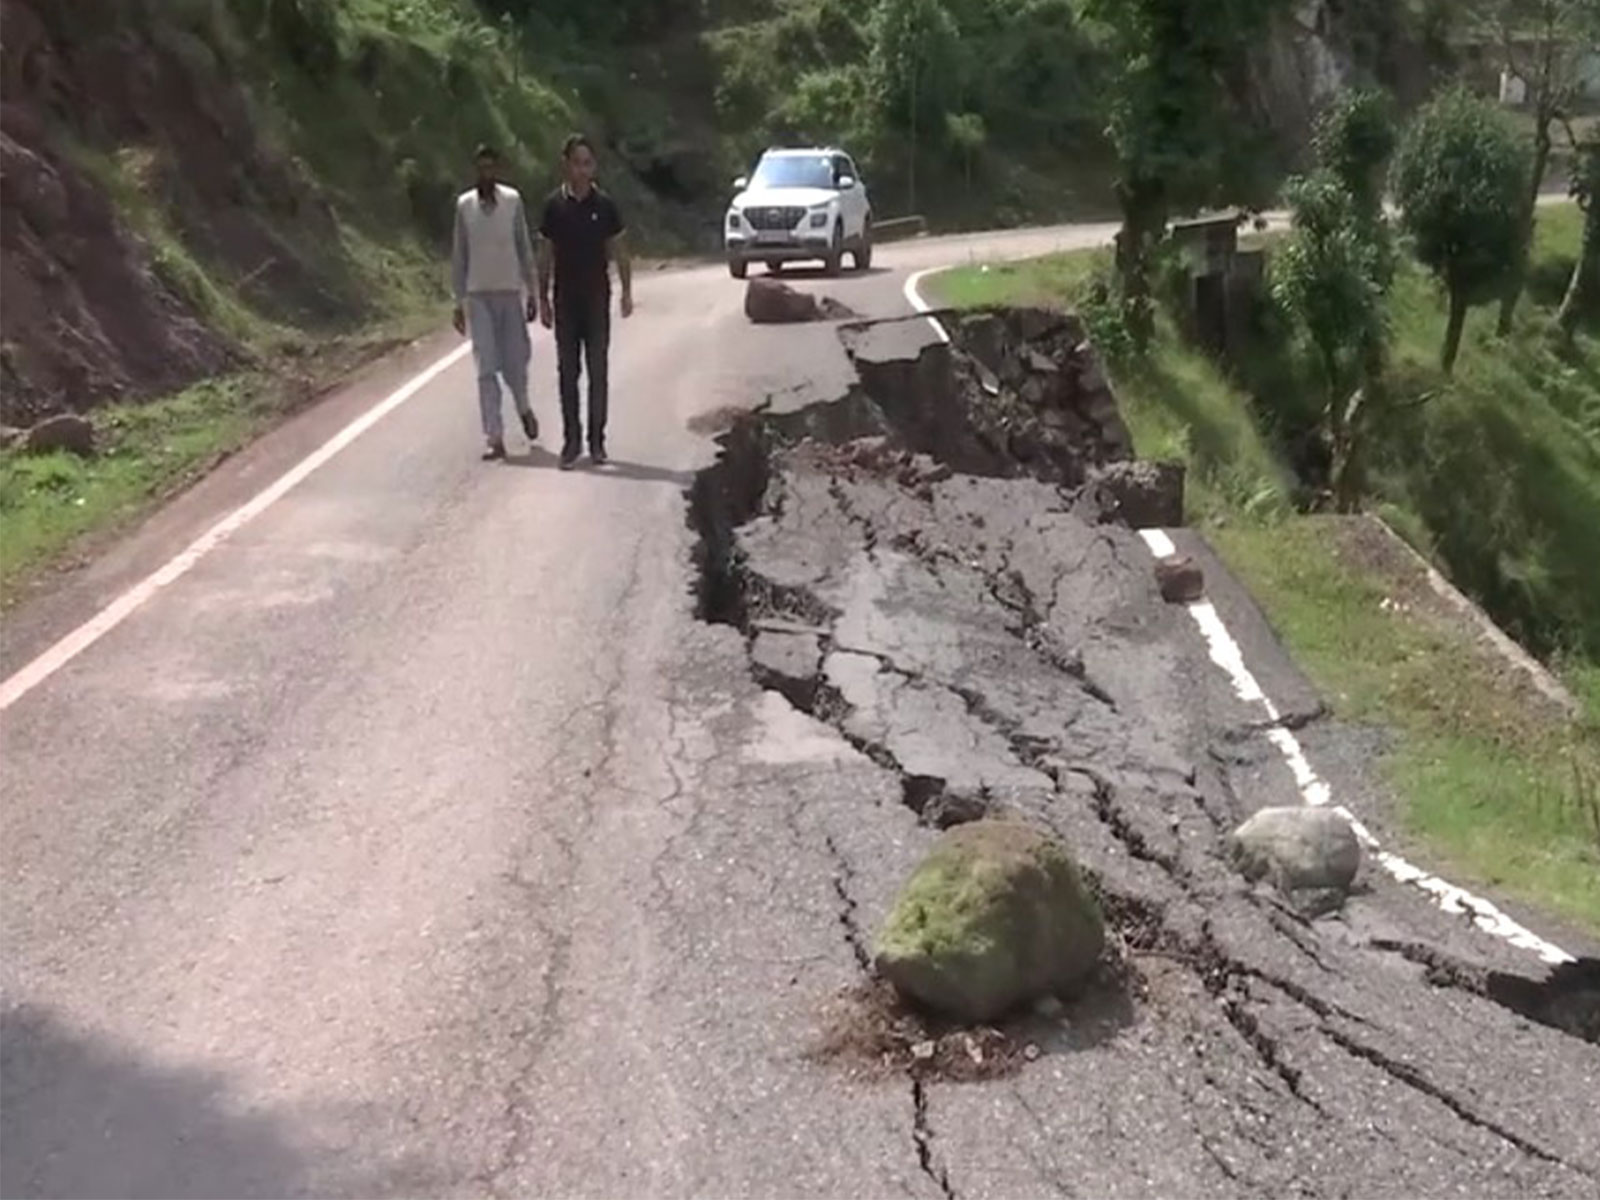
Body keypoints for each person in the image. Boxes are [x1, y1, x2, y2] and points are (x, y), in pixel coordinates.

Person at [537, 133, 633, 469]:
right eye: (577, 163)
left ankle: (596, 441)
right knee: (568, 373)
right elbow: (545, 254)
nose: (583, 170)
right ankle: (571, 441)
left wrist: (627, 291)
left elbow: (619, 250)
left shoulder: (605, 206)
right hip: (566, 300)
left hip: (596, 299)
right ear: (566, 165)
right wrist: (542, 297)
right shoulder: (554, 206)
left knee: (598, 371)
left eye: (588, 163)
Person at [451, 144, 540, 461]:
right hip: (479, 296)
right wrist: (457, 301)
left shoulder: (513, 201)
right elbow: (459, 255)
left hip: (508, 292)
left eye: (491, 167)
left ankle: (524, 407)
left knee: (515, 361)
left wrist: (533, 292)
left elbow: (524, 247)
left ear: (498, 170)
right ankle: (494, 436)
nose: (486, 173)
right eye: (481, 168)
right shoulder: (465, 206)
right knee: (485, 366)